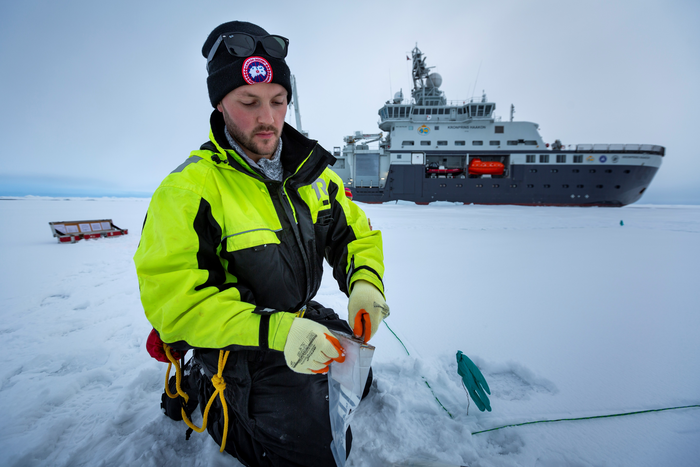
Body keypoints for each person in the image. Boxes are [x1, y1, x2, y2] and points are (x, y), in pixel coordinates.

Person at [133, 20, 389, 466]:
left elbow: (354, 235)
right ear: (221, 104)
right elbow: (177, 304)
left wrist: (365, 285)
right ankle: (202, 380)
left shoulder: (315, 176)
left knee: (357, 377)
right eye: (249, 102)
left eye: (278, 101)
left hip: (295, 318)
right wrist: (276, 331)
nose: (268, 118)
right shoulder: (188, 190)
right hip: (238, 341)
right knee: (318, 451)